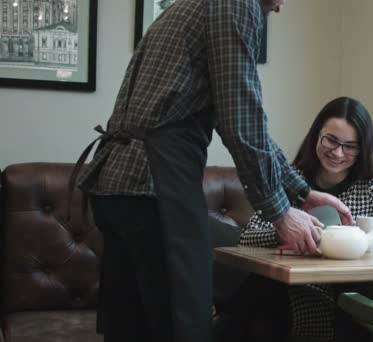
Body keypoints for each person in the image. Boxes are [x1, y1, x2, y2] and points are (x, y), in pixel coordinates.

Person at [71, 1, 352, 341]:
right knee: (180, 327)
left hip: (116, 184)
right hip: (154, 188)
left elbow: (241, 122)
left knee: (131, 329)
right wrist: (280, 213)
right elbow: (243, 122)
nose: (281, 6)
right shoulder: (237, 4)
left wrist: (302, 192)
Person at [238, 96, 373, 342]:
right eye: (331, 140)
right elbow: (248, 236)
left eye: (350, 146)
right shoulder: (291, 181)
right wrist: (290, 232)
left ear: (362, 149)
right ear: (317, 135)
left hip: (350, 295)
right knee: (261, 289)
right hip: (293, 288)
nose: (337, 153)